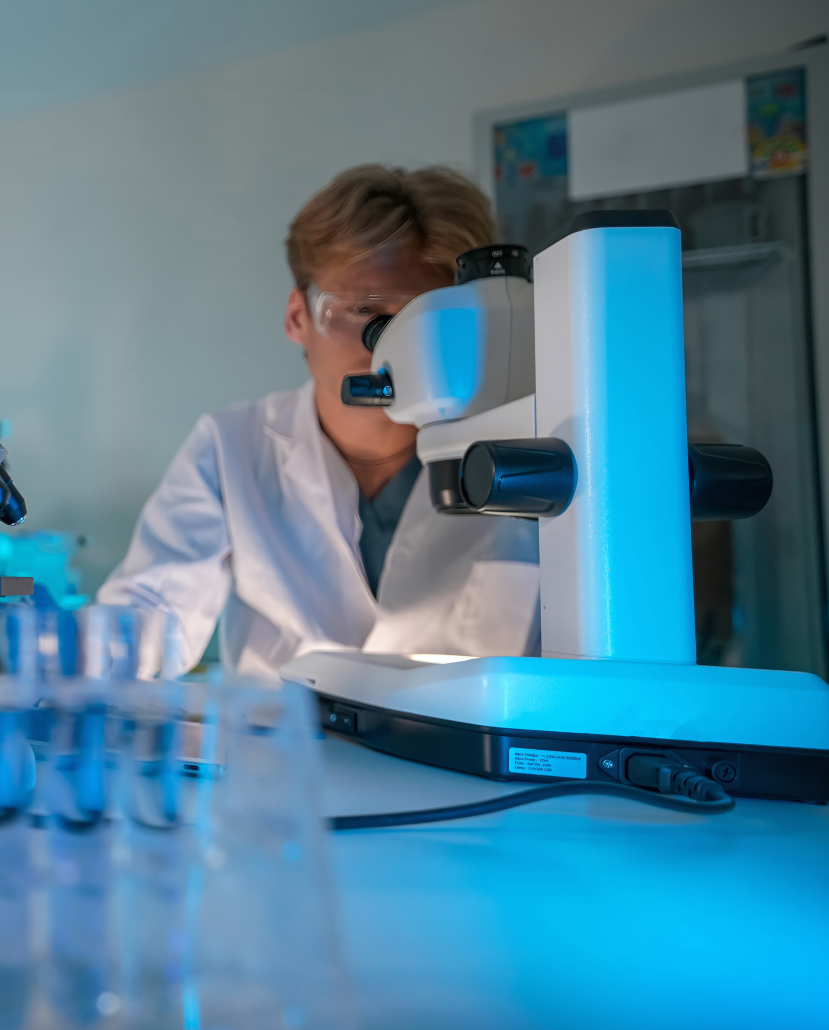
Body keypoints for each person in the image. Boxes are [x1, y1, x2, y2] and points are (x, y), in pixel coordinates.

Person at [98, 165, 539, 683]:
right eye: (362, 312)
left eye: (424, 316)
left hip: (464, 760)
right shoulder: (231, 446)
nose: (392, 346)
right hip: (282, 754)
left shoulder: (531, 446)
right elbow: (153, 611)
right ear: (296, 319)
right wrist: (51, 658)